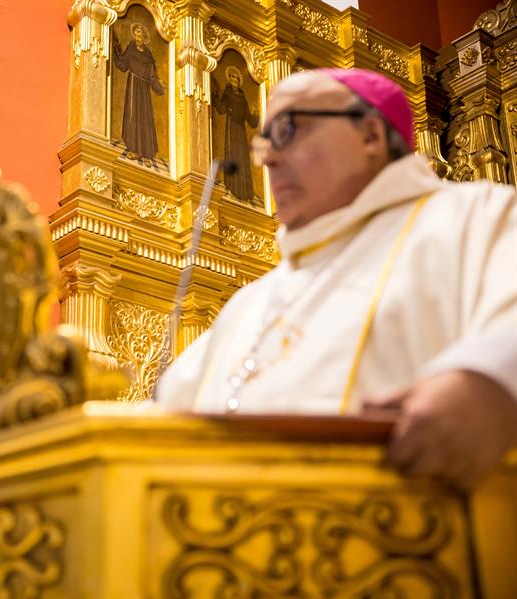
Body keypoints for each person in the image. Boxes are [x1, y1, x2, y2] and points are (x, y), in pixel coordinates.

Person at [158, 68, 517, 489]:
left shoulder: (477, 216)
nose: (269, 158)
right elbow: (166, 411)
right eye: (263, 143)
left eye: (288, 129)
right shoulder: (249, 302)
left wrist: (491, 382)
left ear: (370, 136)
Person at [113, 22, 164, 167]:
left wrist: (160, 88)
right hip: (133, 85)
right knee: (133, 116)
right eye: (135, 34)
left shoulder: (148, 55)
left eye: (140, 35)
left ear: (145, 37)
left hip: (144, 90)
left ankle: (147, 155)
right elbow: (123, 64)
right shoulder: (130, 48)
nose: (137, 37)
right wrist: (116, 50)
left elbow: (152, 76)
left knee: (145, 119)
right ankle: (135, 150)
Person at [213, 65, 259, 203]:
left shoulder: (243, 99)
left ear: (239, 81)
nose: (234, 80)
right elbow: (221, 109)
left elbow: (250, 120)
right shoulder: (228, 94)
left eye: (236, 78)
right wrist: (214, 97)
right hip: (232, 128)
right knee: (233, 155)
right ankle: (232, 187)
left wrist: (257, 115)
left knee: (242, 158)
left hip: (241, 131)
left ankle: (244, 191)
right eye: (232, 77)